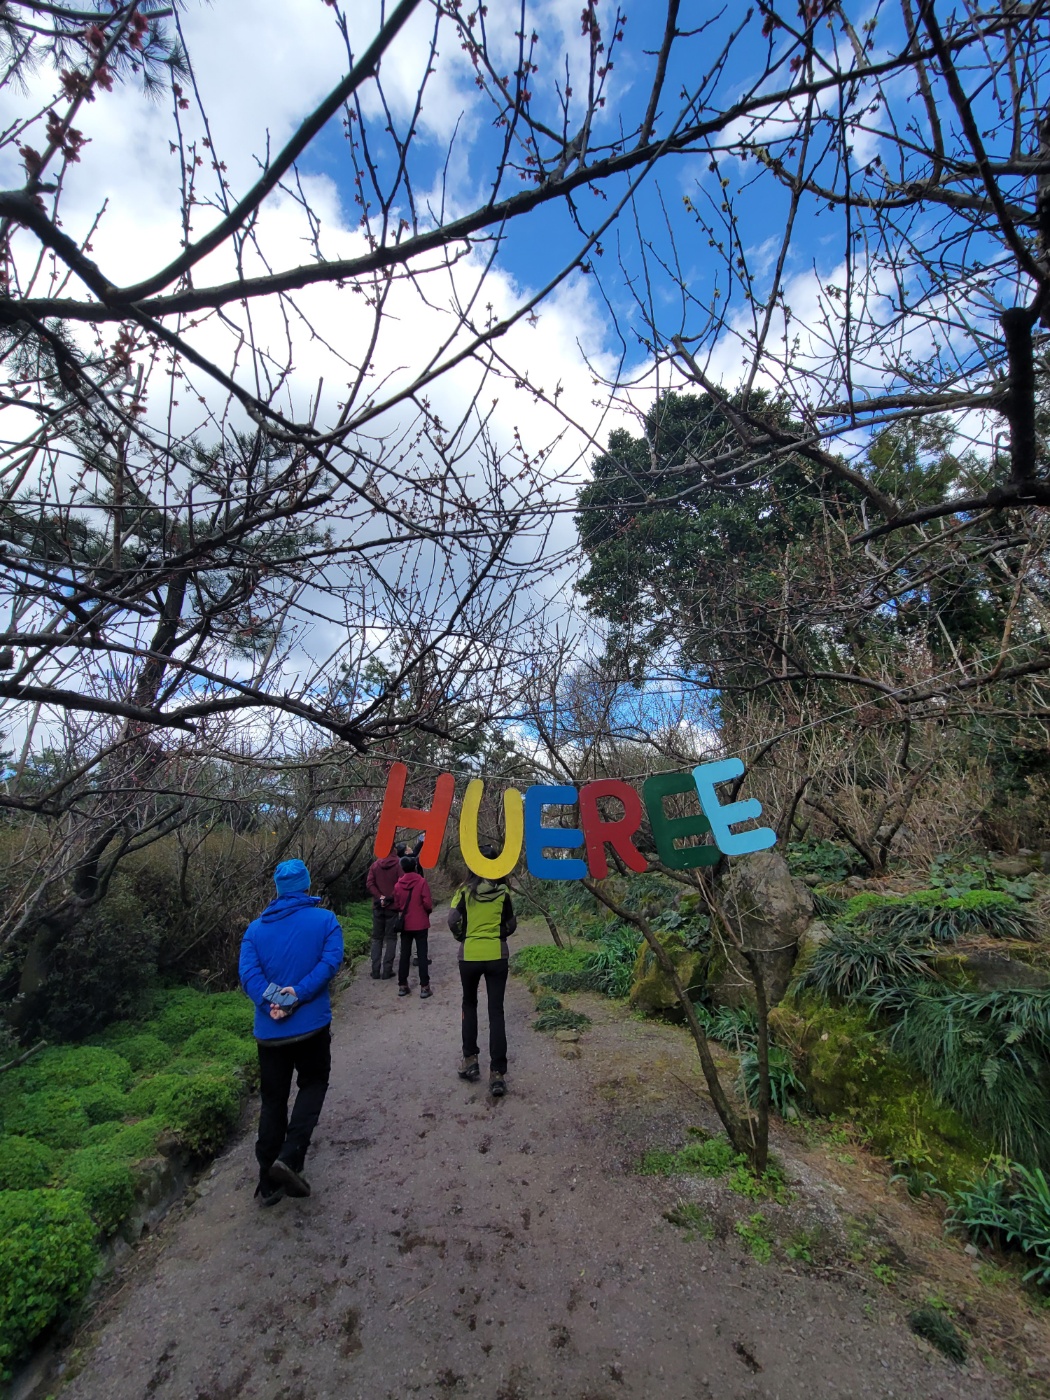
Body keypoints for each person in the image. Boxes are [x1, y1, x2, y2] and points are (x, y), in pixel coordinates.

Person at [239, 859, 344, 1206]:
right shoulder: (326, 921)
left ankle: (267, 1182)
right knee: (313, 1084)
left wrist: (275, 1000)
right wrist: (296, 994)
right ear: (306, 886)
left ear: (278, 889)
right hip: (312, 1026)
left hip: (270, 1031)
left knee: (273, 1100)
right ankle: (291, 1155)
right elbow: (330, 962)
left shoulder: (254, 931)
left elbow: (248, 975)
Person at [448, 848, 517, 1097]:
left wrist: (463, 937)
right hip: (497, 956)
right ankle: (497, 1074)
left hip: (469, 956)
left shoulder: (464, 892)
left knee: (469, 1005)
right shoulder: (503, 892)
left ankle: (470, 1060)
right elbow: (511, 925)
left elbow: (452, 920)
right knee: (496, 1011)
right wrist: (498, 935)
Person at [393, 855, 433, 999]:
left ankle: (402, 985)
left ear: (402, 868)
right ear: (415, 866)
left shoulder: (398, 885)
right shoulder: (421, 882)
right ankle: (424, 987)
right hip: (421, 922)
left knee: (405, 955)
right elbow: (427, 903)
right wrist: (426, 912)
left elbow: (397, 905)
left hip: (406, 924)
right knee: (422, 955)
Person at [366, 843, 402, 979]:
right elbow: (401, 883)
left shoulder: (375, 865)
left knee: (377, 938)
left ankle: (375, 970)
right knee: (391, 938)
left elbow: (370, 883)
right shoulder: (399, 864)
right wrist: (389, 898)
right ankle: (387, 970)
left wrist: (379, 897)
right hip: (392, 907)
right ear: (394, 849)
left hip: (377, 906)